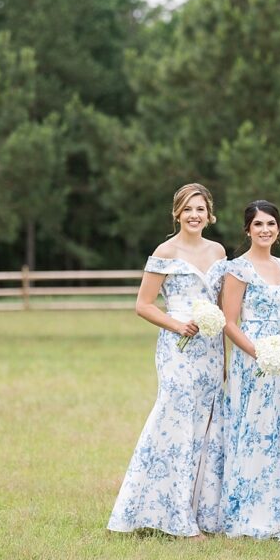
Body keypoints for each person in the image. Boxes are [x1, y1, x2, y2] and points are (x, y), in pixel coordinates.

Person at [108, 183, 227, 537]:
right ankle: (172, 518)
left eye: (200, 209)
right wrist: (177, 325)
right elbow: (143, 304)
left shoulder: (218, 251)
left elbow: (221, 306)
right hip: (177, 348)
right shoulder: (166, 250)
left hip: (210, 349)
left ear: (209, 214)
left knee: (202, 429)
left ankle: (195, 510)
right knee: (173, 422)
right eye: (188, 209)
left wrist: (222, 354)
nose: (194, 215)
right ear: (177, 213)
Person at [220, 200, 280, 538]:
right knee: (254, 427)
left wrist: (279, 353)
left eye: (271, 223)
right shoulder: (238, 269)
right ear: (248, 230)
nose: (265, 229)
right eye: (258, 225)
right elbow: (229, 321)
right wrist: (258, 352)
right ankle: (250, 509)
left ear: (278, 229)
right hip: (251, 355)